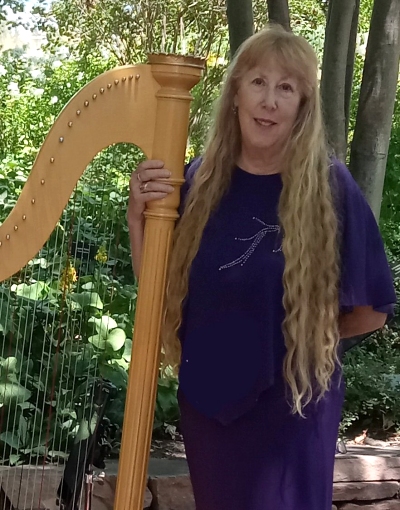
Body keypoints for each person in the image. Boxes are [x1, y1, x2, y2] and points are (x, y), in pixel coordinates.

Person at [127, 25, 396, 510]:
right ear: (235, 95)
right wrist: (136, 215)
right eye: (258, 82)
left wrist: (294, 341)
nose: (269, 100)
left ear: (302, 109)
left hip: (292, 410)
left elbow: (372, 311)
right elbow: (160, 293)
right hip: (210, 408)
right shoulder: (198, 181)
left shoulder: (330, 189)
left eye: (286, 88)